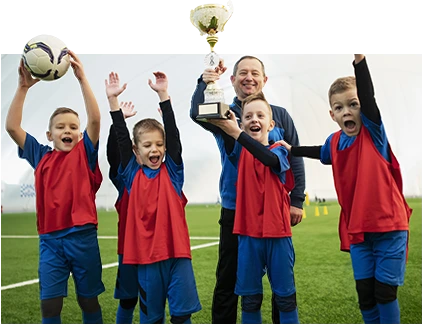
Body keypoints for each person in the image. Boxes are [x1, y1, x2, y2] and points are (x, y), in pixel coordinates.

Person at [278, 53, 412, 324]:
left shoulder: (373, 133)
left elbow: (369, 98)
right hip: (359, 231)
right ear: (332, 114)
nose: (347, 111)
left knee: (385, 294)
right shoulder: (335, 141)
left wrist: (359, 58)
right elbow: (321, 151)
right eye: (339, 108)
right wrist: (293, 149)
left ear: (364, 108)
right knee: (365, 294)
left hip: (388, 228)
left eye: (353, 104)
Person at [190, 55, 306, 324]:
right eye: (243, 72)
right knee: (229, 279)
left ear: (264, 80)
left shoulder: (280, 116)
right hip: (236, 212)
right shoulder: (226, 115)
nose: (249, 77)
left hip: (274, 213)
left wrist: (297, 199)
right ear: (232, 80)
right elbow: (197, 113)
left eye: (255, 73)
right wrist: (203, 83)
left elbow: (294, 158)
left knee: (281, 283)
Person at [6, 51, 104, 324]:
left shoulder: (85, 153)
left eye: (73, 127)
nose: (68, 130)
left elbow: (95, 120)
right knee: (49, 306)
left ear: (80, 134)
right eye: (61, 127)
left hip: (82, 238)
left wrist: (82, 79)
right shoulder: (41, 156)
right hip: (50, 241)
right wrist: (22, 88)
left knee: (88, 300)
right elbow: (12, 127)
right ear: (50, 135)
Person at [107, 71, 202, 324]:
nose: (155, 149)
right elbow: (120, 139)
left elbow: (174, 137)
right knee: (152, 319)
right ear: (137, 150)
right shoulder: (130, 174)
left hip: (177, 257)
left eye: (159, 144)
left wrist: (163, 95)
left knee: (182, 316)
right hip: (147, 261)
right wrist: (113, 103)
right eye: (148, 145)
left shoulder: (172, 172)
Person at [207, 92, 299, 324]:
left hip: (277, 234)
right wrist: (207, 83)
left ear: (272, 124)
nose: (254, 120)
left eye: (260, 115)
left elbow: (269, 161)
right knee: (249, 299)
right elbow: (205, 114)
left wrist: (237, 131)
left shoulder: (279, 149)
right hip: (248, 236)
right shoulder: (238, 152)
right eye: (248, 116)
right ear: (241, 122)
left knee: (285, 299)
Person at [106, 100, 139, 324]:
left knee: (153, 300)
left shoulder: (164, 176)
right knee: (128, 301)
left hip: (155, 251)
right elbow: (115, 153)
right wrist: (118, 123)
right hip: (128, 251)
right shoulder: (125, 180)